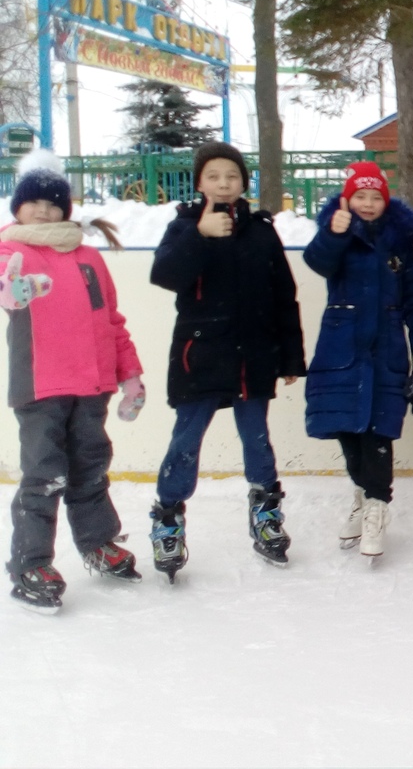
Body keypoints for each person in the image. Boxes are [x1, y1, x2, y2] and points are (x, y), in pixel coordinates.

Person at [149, 142, 307, 579]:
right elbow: (165, 275)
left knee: (256, 438)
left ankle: (266, 511)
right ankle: (167, 517)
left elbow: (283, 296)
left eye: (232, 176)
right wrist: (199, 235)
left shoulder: (261, 231)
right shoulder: (184, 226)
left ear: (243, 183)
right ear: (200, 182)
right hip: (199, 355)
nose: (224, 183)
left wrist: (290, 357)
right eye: (214, 176)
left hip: (253, 356)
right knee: (186, 441)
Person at [2, 150, 145, 612]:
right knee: (45, 475)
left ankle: (97, 542)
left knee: (90, 468)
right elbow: (4, 288)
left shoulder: (88, 257)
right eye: (34, 202)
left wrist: (130, 374)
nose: (44, 211)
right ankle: (30, 563)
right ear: (18, 206)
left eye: (53, 203)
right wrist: (12, 291)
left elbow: (111, 320)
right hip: (41, 385)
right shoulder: (10, 250)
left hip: (91, 386)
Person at [303, 162, 413, 559]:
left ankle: (377, 505)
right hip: (340, 349)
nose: (367, 203)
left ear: (385, 200)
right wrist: (334, 234)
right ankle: (363, 496)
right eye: (359, 196)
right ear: (347, 199)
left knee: (378, 432)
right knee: (346, 430)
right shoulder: (338, 233)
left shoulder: (401, 243)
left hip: (386, 351)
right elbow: (318, 263)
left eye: (374, 196)